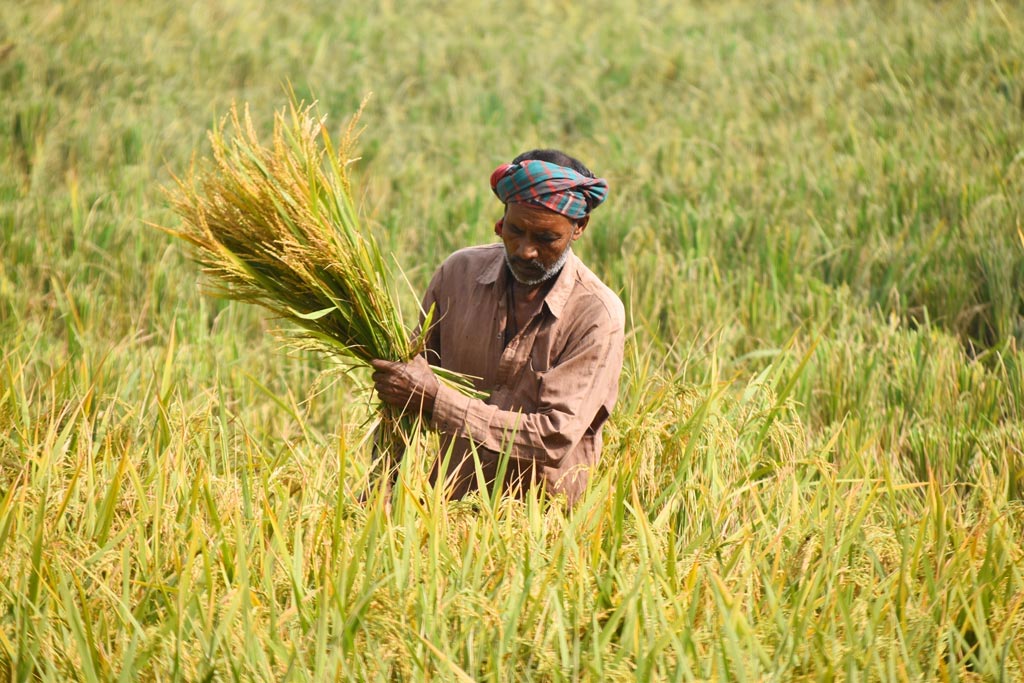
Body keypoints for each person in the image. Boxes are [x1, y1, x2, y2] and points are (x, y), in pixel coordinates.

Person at [370, 149, 625, 506]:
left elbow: (554, 437)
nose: (525, 251)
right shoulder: (458, 275)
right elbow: (404, 391)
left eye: (546, 239)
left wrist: (437, 400)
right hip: (451, 508)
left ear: (578, 228)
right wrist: (379, 490)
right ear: (502, 220)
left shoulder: (596, 314)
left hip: (546, 528)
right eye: (515, 230)